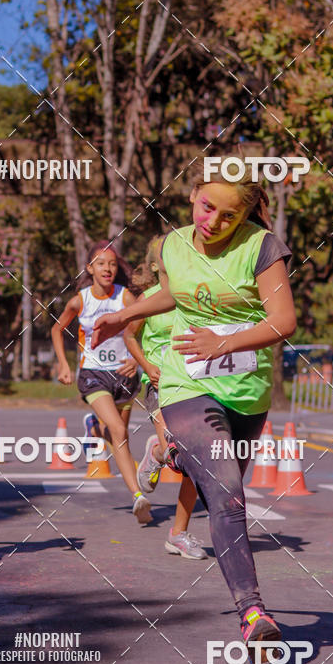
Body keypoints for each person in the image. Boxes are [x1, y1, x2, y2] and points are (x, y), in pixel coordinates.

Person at [93, 161, 296, 659]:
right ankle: (252, 612)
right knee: (227, 495)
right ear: (193, 195)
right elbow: (173, 293)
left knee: (223, 488)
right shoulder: (173, 244)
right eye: (207, 206)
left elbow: (284, 320)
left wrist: (223, 341)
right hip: (186, 382)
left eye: (228, 216)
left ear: (246, 215)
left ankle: (175, 453)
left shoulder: (262, 247)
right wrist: (123, 315)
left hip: (246, 390)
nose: (213, 222)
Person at [51, 240, 153, 524]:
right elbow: (57, 329)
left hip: (124, 375)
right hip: (93, 374)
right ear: (90, 268)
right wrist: (63, 363)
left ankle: (95, 426)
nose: (107, 269)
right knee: (119, 429)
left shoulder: (127, 298)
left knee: (120, 437)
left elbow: (142, 327)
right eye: (101, 264)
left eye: (111, 264)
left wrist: (137, 360)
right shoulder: (80, 300)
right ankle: (138, 497)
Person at [123, 238, 208, 560]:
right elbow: (129, 334)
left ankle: (179, 533)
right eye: (167, 256)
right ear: (156, 265)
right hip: (160, 383)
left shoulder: (192, 297)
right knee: (181, 452)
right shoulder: (146, 299)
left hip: (196, 382)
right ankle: (161, 451)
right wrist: (145, 364)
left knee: (195, 461)